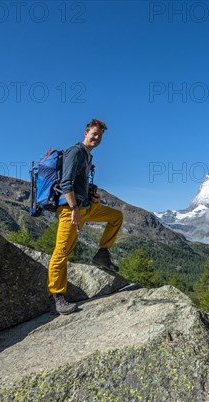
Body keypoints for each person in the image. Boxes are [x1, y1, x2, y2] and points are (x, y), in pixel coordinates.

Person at [48, 119, 123, 315]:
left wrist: (91, 196)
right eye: (94, 134)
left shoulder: (88, 156)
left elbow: (79, 184)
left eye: (100, 136)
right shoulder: (75, 152)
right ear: (86, 132)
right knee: (61, 252)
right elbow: (66, 183)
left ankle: (102, 254)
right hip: (70, 211)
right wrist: (73, 209)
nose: (97, 138)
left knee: (116, 217)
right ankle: (58, 296)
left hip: (86, 207)